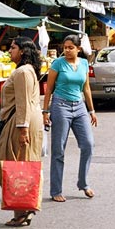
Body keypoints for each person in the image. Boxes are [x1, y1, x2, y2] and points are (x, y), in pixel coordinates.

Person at [0, 36, 44, 227]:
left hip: (20, 123)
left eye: (13, 47)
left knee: (13, 167)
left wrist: (22, 129)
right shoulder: (25, 71)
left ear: (23, 51)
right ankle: (24, 209)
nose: (10, 50)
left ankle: (23, 210)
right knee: (19, 165)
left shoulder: (23, 72)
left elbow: (23, 102)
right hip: (22, 121)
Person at [42, 34, 98, 203]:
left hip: (79, 106)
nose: (66, 50)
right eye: (65, 47)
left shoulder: (84, 64)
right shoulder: (58, 63)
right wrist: (45, 111)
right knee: (59, 149)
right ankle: (56, 190)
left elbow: (86, 89)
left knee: (88, 144)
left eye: (70, 47)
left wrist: (91, 110)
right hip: (60, 106)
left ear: (78, 49)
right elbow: (49, 89)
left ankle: (83, 183)